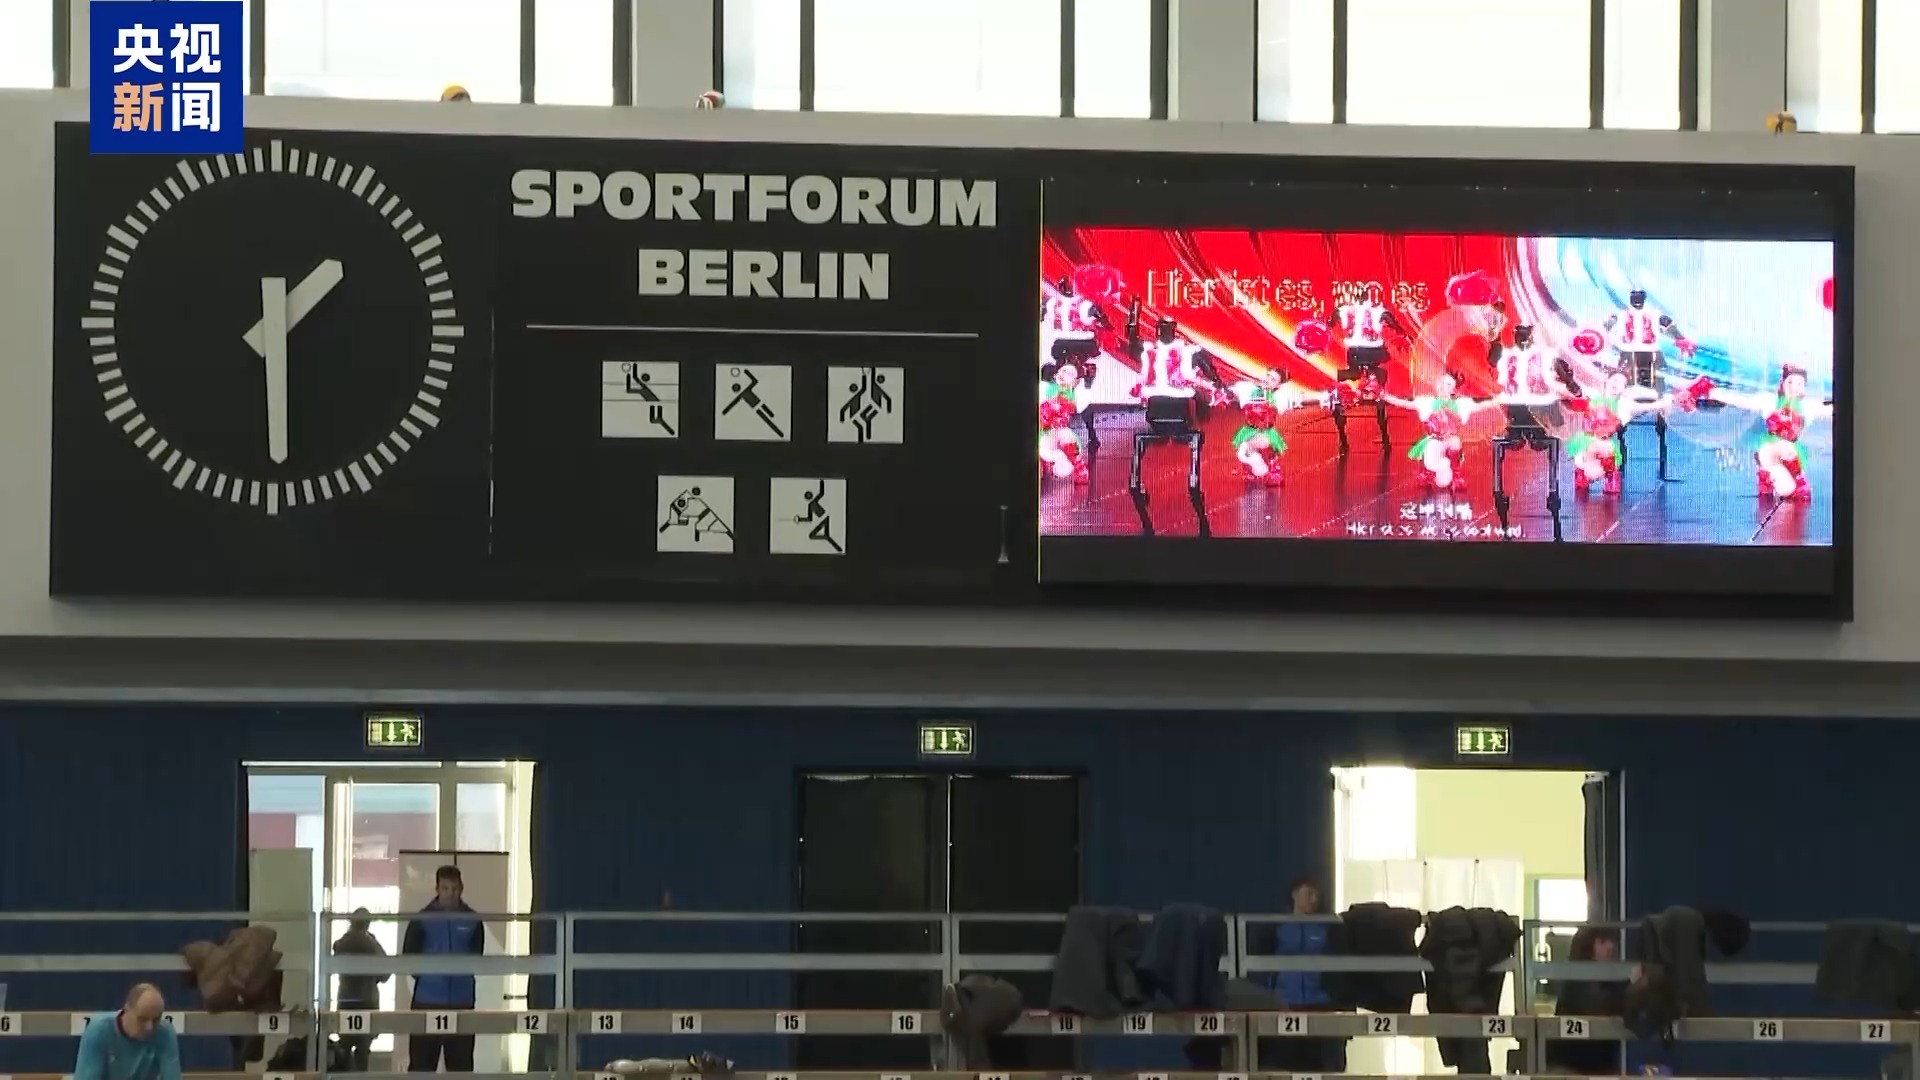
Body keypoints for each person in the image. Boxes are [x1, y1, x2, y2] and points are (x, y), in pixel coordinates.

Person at [1258, 877, 1347, 1074]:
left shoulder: (1326, 927)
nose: (1314, 899)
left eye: (1317, 896)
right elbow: (1263, 965)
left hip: (1320, 1004)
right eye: (1309, 894)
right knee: (1285, 1067)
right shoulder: (1276, 926)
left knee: (1322, 1067)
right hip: (1286, 1004)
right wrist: (1273, 999)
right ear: (1294, 895)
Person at [402, 865, 485, 1073]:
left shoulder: (473, 920)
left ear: (462, 888)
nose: (451, 893)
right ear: (437, 889)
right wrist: (430, 979)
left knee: (461, 1068)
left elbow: (477, 957)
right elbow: (409, 958)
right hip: (426, 1002)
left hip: (462, 1002)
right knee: (421, 1066)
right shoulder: (421, 920)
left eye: (455, 888)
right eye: (446, 888)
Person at [1546, 928, 1626, 1075]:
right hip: (1573, 1065)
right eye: (1603, 942)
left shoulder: (1608, 977)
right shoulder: (1578, 978)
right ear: (1588, 947)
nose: (1611, 946)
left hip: (1595, 1063)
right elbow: (1597, 1007)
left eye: (1612, 941)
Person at [74, 983, 182, 1080]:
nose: (149, 1027)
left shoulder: (165, 1032)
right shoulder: (98, 1030)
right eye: (142, 1019)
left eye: (156, 1019)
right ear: (126, 1009)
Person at [333, 908, 390, 1072]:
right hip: (367, 1001)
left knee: (344, 1049)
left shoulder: (341, 944)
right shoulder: (371, 944)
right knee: (363, 1052)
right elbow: (385, 973)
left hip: (346, 1001)